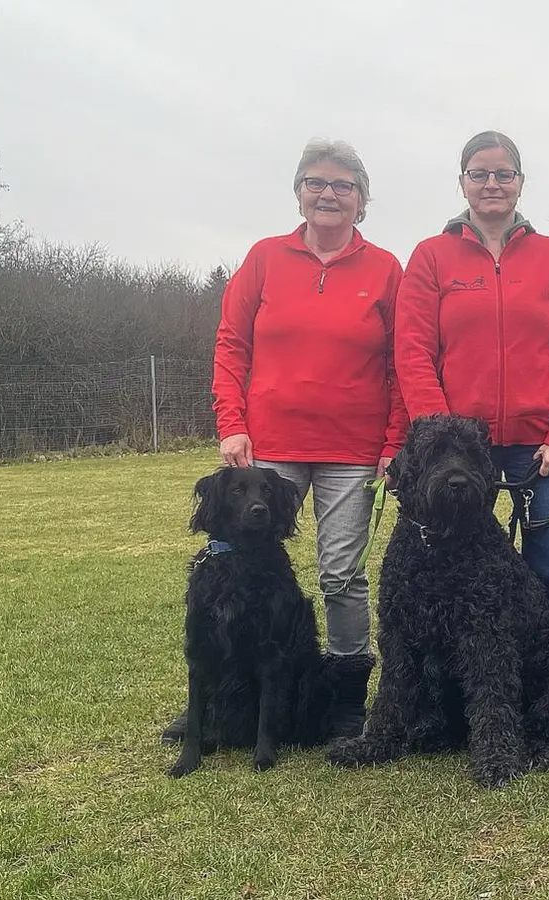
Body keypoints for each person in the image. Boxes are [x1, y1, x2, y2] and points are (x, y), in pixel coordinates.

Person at [175, 138, 404, 743]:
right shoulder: (264, 258)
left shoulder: (385, 268)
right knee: (245, 570)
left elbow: (402, 361)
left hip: (352, 452)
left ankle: (344, 700)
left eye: (343, 185)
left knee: (340, 576)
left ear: (362, 199)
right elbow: (231, 345)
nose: (328, 194)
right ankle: (231, 697)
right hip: (269, 447)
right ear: (299, 192)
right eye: (316, 183)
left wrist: (393, 439)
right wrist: (233, 422)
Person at [396, 131, 549, 646]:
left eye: (503, 174)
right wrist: (440, 438)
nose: (492, 184)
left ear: (520, 183)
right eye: (479, 174)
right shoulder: (431, 256)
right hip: (458, 452)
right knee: (455, 576)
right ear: (463, 182)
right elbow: (413, 353)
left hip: (541, 448)